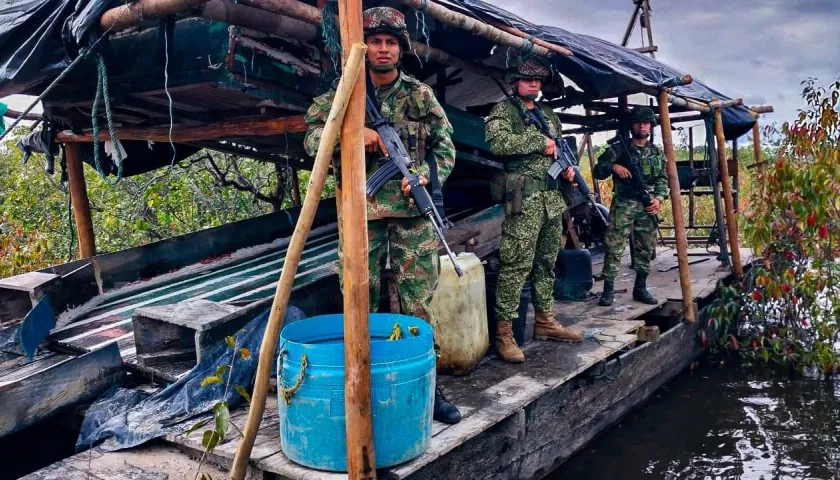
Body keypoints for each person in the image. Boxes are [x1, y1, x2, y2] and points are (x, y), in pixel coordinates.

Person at [303, 6, 461, 424]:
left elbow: (446, 146)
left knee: (418, 305)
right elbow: (311, 138)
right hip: (361, 214)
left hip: (412, 215)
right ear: (365, 47)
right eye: (376, 41)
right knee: (360, 302)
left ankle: (426, 385)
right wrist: (357, 134)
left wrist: (427, 177)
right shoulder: (345, 93)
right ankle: (365, 385)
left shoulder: (420, 95)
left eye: (391, 42)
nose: (384, 49)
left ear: (401, 49)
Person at [484, 57, 583, 364]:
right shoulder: (504, 111)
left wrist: (568, 170)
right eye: (528, 80)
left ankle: (544, 320)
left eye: (539, 81)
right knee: (515, 266)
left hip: (551, 202)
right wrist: (537, 141)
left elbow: (558, 151)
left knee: (546, 264)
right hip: (523, 201)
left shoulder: (549, 115)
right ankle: (504, 333)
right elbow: (496, 143)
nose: (534, 85)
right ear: (515, 81)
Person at [593, 106, 668, 307]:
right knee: (614, 247)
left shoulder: (656, 152)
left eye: (646, 122)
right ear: (632, 125)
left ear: (651, 126)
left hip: (647, 205)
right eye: (638, 122)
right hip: (624, 204)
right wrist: (613, 166)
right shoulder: (618, 149)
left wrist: (659, 199)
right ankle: (608, 290)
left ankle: (640, 288)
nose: (642, 126)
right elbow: (597, 171)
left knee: (645, 248)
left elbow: (663, 178)